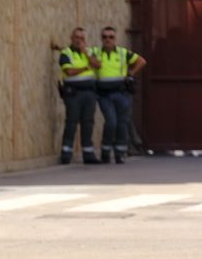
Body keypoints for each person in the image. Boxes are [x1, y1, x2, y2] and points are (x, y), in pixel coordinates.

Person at [92, 26, 146, 164]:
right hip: (104, 94)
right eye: (104, 37)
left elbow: (141, 61)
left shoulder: (122, 53)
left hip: (121, 93)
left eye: (111, 37)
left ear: (115, 39)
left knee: (122, 123)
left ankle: (120, 153)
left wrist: (130, 74)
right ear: (101, 39)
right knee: (111, 122)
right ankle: (105, 151)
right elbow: (82, 54)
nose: (107, 40)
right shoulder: (95, 52)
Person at [56, 27, 102, 165]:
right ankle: (66, 153)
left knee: (88, 123)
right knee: (72, 121)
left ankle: (88, 154)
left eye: (82, 38)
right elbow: (69, 71)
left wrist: (86, 54)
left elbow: (98, 65)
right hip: (73, 93)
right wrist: (86, 68)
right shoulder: (66, 53)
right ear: (71, 38)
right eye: (76, 37)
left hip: (89, 92)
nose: (79, 40)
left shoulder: (90, 52)